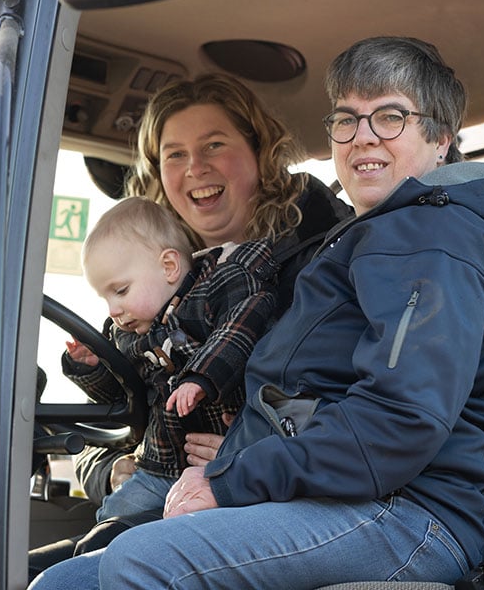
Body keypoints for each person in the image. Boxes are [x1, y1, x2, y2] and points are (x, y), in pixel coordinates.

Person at [29, 36, 484, 589]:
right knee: (63, 583)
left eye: (389, 118)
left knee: (141, 561)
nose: (363, 138)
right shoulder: (373, 237)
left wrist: (236, 477)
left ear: (441, 137)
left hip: (407, 514)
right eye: (346, 120)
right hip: (346, 496)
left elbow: (401, 419)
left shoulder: (433, 239)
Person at [29, 73, 352, 575]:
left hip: (265, 502)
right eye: (174, 154)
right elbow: (118, 408)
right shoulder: (154, 277)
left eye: (214, 145)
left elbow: (355, 404)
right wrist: (113, 470)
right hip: (162, 490)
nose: (194, 167)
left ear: (260, 151)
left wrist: (254, 454)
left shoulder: (323, 263)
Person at [64, 194, 276, 530]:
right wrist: (91, 368)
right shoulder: (128, 335)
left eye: (120, 291)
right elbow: (121, 397)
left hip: (224, 462)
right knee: (110, 522)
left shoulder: (213, 295)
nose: (112, 310)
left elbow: (237, 329)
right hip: (159, 467)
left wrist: (200, 377)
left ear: (169, 267)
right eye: (104, 297)